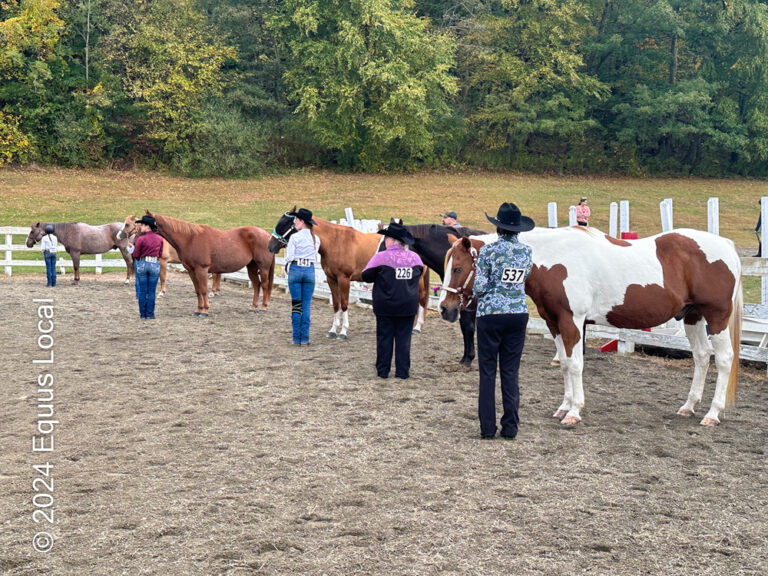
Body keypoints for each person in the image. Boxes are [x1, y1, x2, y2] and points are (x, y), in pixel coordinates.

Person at [473, 202, 534, 440]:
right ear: (518, 229)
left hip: (490, 314)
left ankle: (488, 428)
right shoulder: (527, 252)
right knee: (510, 372)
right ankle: (511, 426)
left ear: (498, 228)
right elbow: (524, 276)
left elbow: (479, 286)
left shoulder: (488, 251)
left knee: (488, 372)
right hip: (518, 313)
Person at [362, 222, 424, 379]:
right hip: (408, 305)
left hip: (385, 305)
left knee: (384, 337)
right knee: (404, 339)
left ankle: (383, 370)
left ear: (390, 239)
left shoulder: (380, 257)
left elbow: (366, 276)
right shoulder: (415, 258)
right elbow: (419, 274)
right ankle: (403, 371)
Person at [285, 208, 321, 346]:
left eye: (296, 220)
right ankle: (305, 338)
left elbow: (289, 257)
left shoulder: (294, 237)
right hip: (309, 271)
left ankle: (296, 338)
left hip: (296, 269)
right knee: (306, 306)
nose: (295, 223)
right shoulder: (315, 239)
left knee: (296, 306)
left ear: (302, 222)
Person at [131, 215, 163, 319]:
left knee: (142, 291)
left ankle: (143, 314)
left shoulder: (141, 239)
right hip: (154, 264)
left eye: (142, 225)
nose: (140, 227)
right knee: (152, 291)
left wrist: (131, 250)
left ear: (147, 226)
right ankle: (150, 313)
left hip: (143, 264)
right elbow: (160, 254)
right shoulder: (159, 239)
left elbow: (136, 254)